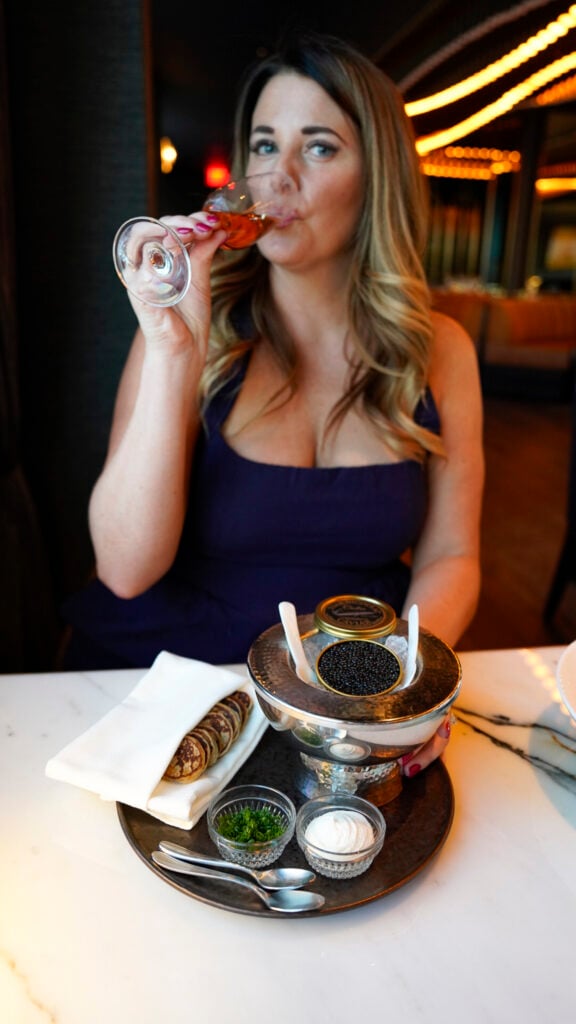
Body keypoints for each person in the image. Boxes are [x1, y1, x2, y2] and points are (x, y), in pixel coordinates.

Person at [62, 33, 483, 769]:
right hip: (168, 691)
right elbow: (124, 569)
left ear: (376, 175)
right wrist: (173, 355)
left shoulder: (438, 348)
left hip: (341, 700)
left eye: (318, 148)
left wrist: (403, 687)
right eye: (264, 144)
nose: (275, 176)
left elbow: (451, 553)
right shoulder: (199, 331)